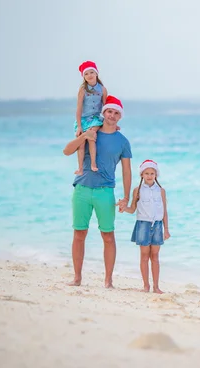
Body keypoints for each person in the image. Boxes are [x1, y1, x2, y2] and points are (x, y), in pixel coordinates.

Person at [62, 95, 132, 288]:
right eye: (109, 111)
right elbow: (67, 151)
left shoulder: (123, 141)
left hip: (105, 192)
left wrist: (126, 197)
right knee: (79, 233)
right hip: (82, 189)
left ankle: (108, 281)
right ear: (104, 112)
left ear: (120, 117)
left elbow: (127, 171)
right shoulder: (90, 131)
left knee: (108, 236)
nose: (112, 115)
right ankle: (77, 278)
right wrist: (84, 135)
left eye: (116, 113)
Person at [121, 160, 171, 293]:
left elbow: (164, 211)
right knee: (144, 255)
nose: (149, 176)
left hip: (158, 226)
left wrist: (166, 229)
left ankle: (156, 286)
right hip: (143, 224)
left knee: (155, 256)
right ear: (142, 175)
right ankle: (146, 286)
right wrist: (123, 208)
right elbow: (132, 209)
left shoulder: (161, 191)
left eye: (152, 173)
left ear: (156, 175)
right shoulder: (137, 190)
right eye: (146, 173)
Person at [74, 61, 108, 175]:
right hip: (83, 119)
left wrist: (111, 123)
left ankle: (93, 164)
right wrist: (79, 126)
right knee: (81, 143)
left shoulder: (102, 89)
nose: (90, 75)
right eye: (86, 74)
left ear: (96, 73)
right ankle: (80, 168)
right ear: (84, 76)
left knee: (91, 136)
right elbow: (79, 108)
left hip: (95, 119)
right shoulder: (83, 89)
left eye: (91, 72)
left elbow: (105, 107)